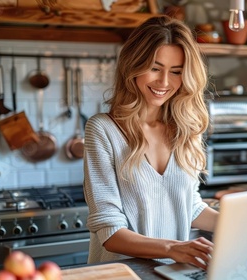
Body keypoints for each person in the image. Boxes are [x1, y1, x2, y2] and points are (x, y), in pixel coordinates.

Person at [83, 15, 219, 270]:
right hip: (122, 275)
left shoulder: (185, 129)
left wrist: (240, 224)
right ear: (133, 65)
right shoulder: (102, 130)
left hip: (172, 274)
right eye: (155, 68)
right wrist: (172, 248)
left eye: (176, 72)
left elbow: (188, 206)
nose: (164, 82)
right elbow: (110, 231)